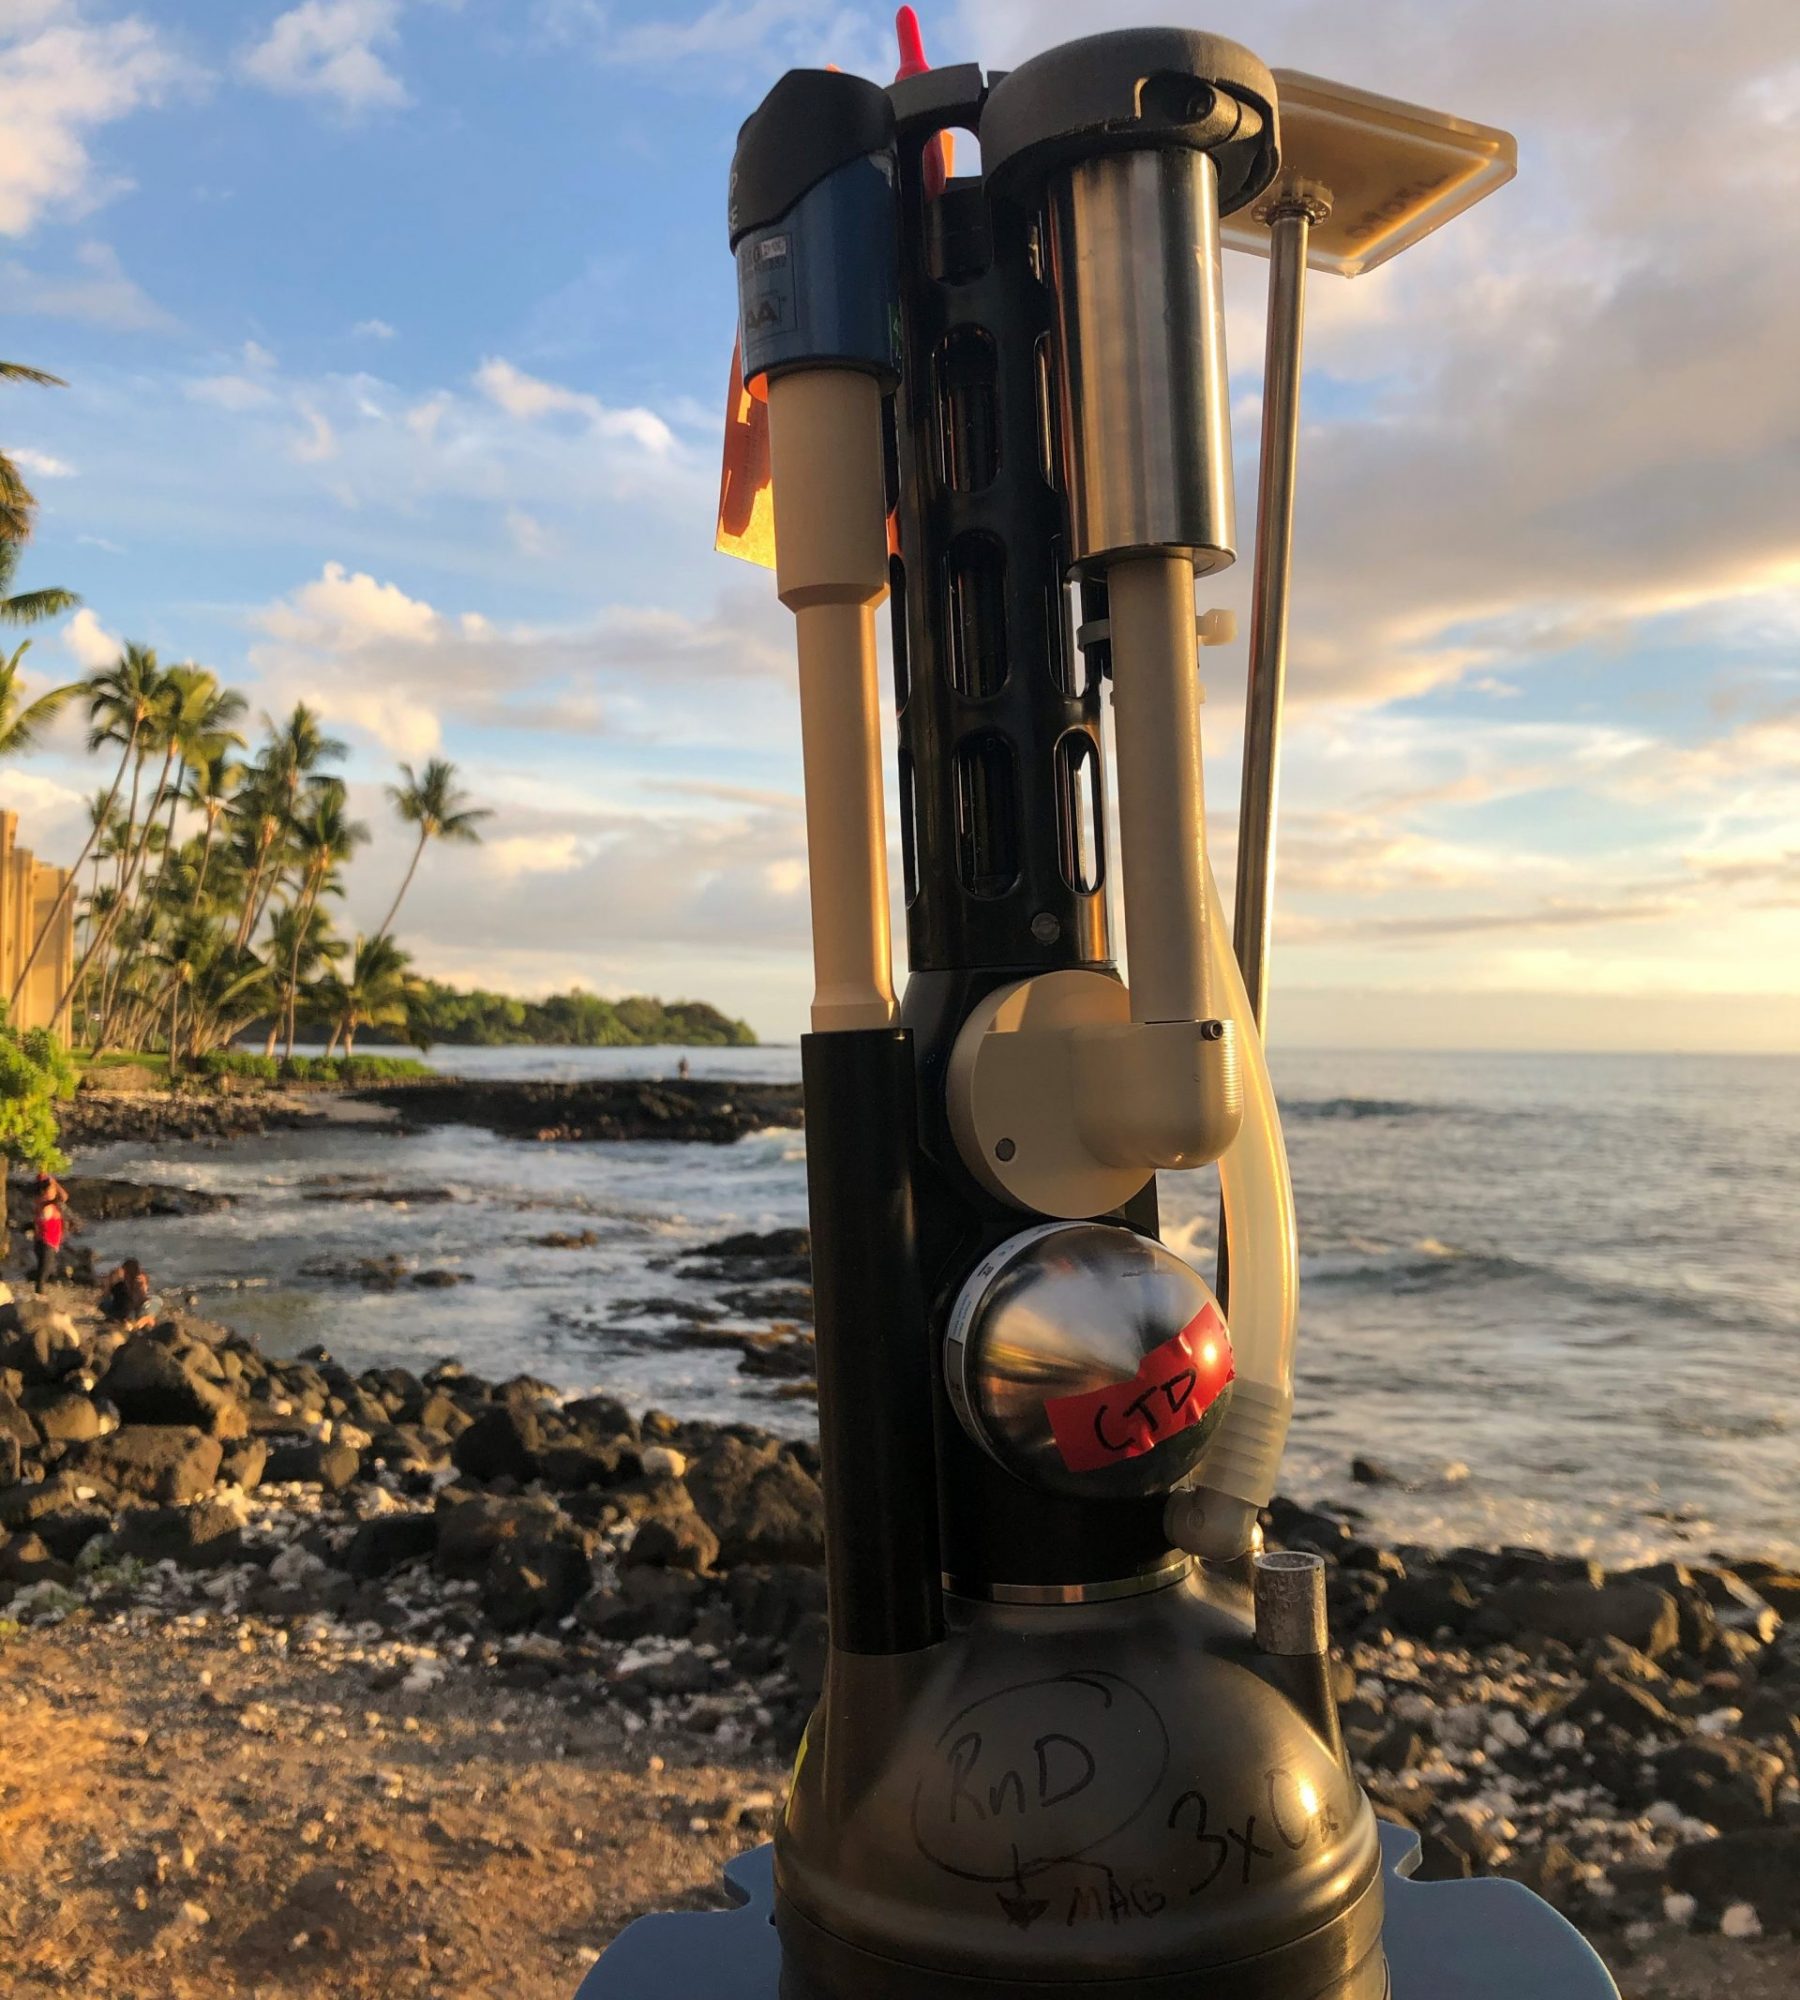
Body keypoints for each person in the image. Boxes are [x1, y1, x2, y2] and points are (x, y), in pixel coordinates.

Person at [31, 1173, 68, 1297]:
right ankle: (39, 1294)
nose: (54, 1191)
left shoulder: (46, 1204)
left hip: (47, 1242)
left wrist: (54, 1182)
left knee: (45, 1269)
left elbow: (64, 1196)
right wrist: (53, 1182)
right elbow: (63, 1196)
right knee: (44, 1270)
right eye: (51, 1189)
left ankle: (39, 1293)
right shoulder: (45, 1205)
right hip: (46, 1242)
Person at [99, 1256, 155, 1332]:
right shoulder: (132, 1287)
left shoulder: (122, 1285)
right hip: (127, 1312)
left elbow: (106, 1295)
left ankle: (130, 1324)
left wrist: (109, 1282)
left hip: (121, 1313)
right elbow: (142, 1300)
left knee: (104, 1303)